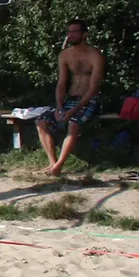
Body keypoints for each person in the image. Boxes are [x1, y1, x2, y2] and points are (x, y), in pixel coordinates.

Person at [36, 20, 105, 176]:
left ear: (84, 34)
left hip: (89, 100)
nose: (71, 35)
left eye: (75, 31)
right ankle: (52, 163)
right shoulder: (65, 55)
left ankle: (59, 166)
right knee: (41, 121)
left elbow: (94, 88)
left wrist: (74, 110)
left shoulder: (95, 55)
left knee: (73, 124)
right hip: (69, 99)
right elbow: (61, 82)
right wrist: (60, 106)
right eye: (69, 32)